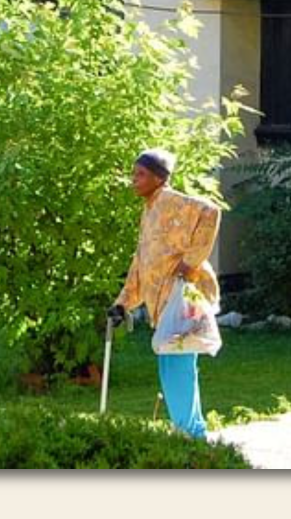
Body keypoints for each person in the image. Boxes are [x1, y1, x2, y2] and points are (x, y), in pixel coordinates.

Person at [108, 147, 222, 439]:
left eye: (141, 174)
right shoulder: (149, 210)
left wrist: (190, 262)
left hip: (181, 300)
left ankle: (191, 437)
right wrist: (123, 303)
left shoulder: (170, 201)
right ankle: (192, 434)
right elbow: (141, 262)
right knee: (175, 369)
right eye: (134, 174)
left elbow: (211, 212)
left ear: (159, 178)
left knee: (177, 370)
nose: (134, 180)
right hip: (164, 305)